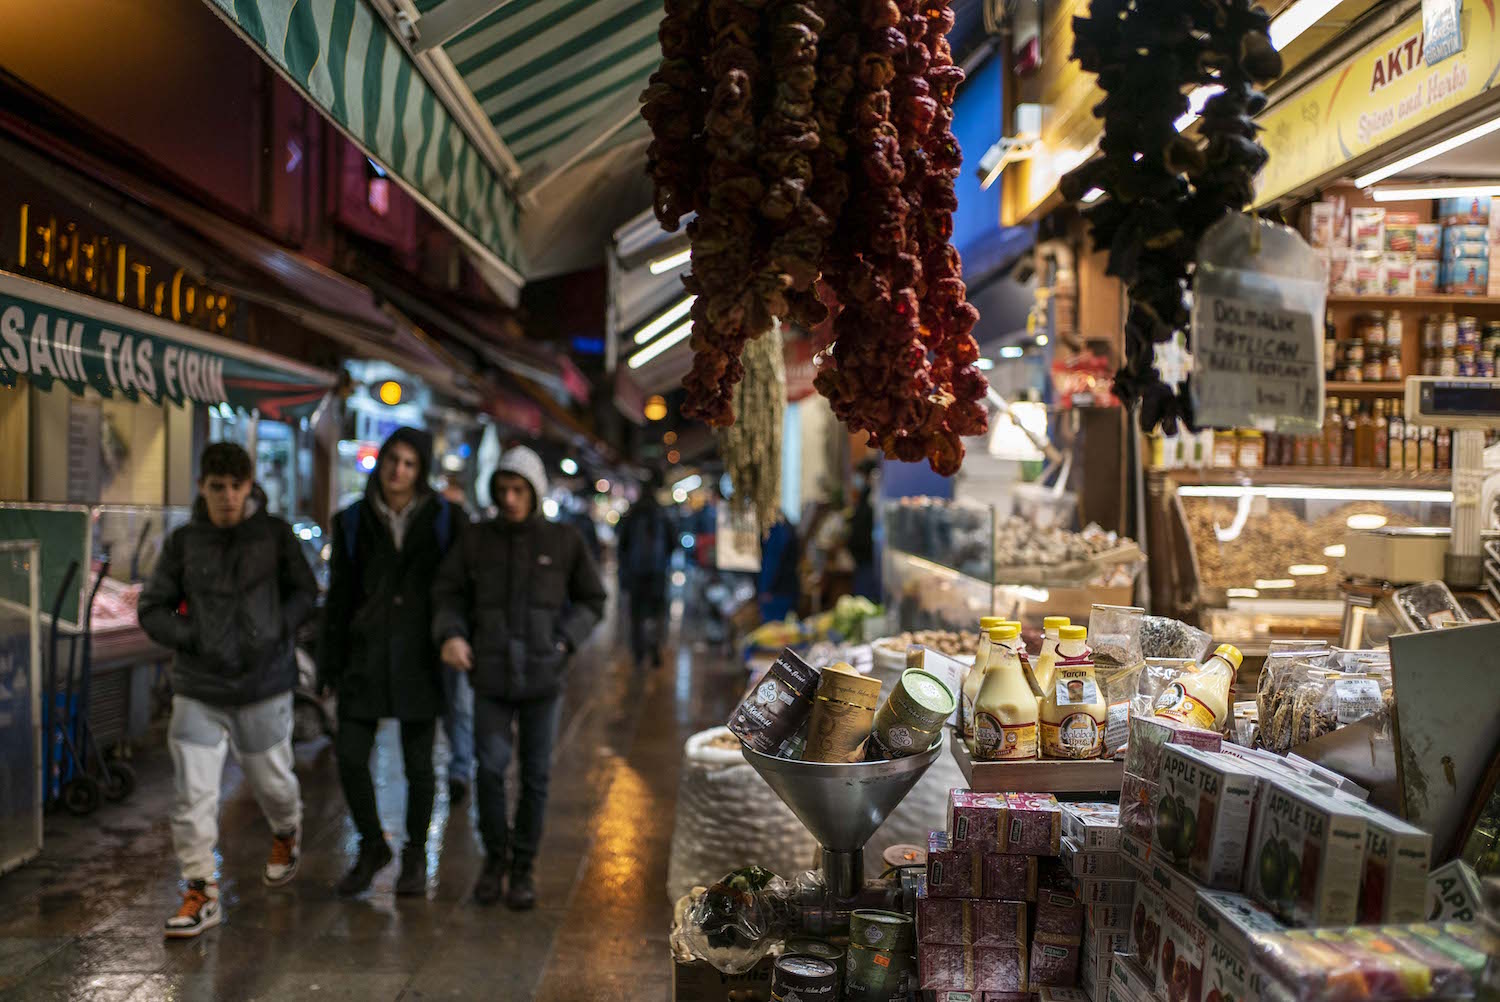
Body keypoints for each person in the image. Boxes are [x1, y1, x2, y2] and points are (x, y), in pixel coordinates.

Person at [138, 442, 318, 939]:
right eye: (217, 487)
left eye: (236, 486)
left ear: (249, 485)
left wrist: (278, 627)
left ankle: (286, 831)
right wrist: (190, 637)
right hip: (199, 686)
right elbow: (152, 608)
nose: (227, 497)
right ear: (202, 487)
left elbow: (306, 591)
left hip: (263, 685)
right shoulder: (183, 543)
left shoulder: (274, 536)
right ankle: (200, 890)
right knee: (192, 795)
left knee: (273, 784)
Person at [431, 446, 606, 909]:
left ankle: (523, 865)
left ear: (534, 492)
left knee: (536, 776)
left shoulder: (563, 541)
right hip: (487, 674)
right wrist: (451, 634)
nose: (510, 498)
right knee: (488, 771)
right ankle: (494, 859)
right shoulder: (475, 539)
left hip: (543, 678)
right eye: (503, 489)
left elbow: (593, 599)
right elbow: (446, 592)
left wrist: (565, 640)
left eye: (518, 489)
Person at [320, 427, 463, 898]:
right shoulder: (353, 521)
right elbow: (338, 596)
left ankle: (415, 857)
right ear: (381, 463)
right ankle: (371, 846)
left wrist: (455, 637)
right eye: (392, 461)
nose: (398, 471)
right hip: (365, 654)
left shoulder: (447, 519)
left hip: (422, 658)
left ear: (420, 471)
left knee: (420, 767)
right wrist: (328, 661)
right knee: (349, 756)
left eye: (409, 463)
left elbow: (459, 587)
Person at [616, 476, 672, 669]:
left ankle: (639, 654)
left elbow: (621, 546)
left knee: (637, 615)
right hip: (657, 574)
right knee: (657, 614)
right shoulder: (663, 514)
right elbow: (673, 543)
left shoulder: (631, 515)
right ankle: (655, 649)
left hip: (635, 574)